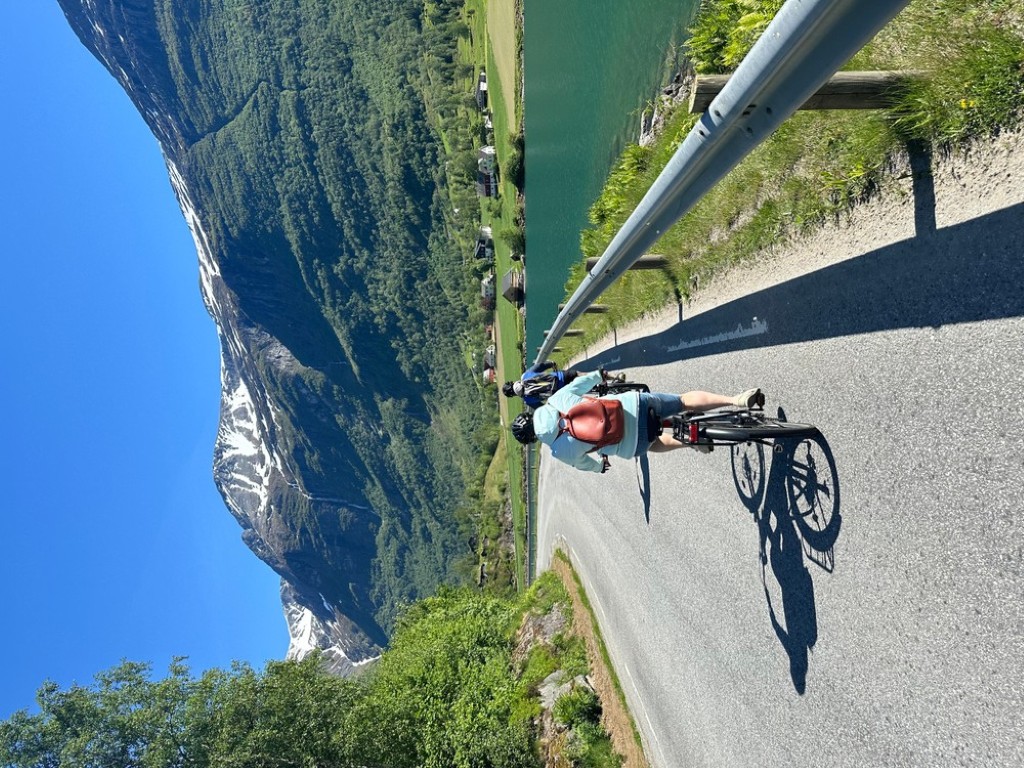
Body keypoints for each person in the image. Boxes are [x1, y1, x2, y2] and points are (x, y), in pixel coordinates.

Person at [509, 369, 763, 474]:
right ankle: (735, 399)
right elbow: (581, 382)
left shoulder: (558, 451)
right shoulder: (555, 400)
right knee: (683, 401)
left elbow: (586, 464)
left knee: (652, 444)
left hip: (631, 444)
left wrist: (600, 467)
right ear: (531, 415)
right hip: (635, 405)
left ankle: (691, 442)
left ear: (533, 439)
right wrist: (600, 374)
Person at [503, 361, 626, 409]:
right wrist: (551, 364)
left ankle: (605, 404)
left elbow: (544, 408)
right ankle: (613, 377)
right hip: (561, 377)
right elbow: (540, 366)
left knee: (582, 398)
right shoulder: (525, 376)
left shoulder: (527, 399)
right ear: (513, 383)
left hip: (560, 394)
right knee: (580, 374)